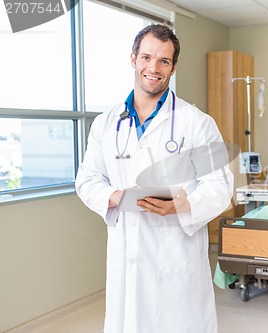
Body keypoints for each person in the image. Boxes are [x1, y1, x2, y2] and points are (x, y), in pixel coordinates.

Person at [75, 24, 233, 333]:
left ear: (174, 67)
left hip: (175, 253)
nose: (153, 67)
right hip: (127, 250)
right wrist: (116, 197)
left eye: (164, 61)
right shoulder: (106, 123)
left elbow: (220, 187)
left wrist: (181, 204)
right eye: (146, 57)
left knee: (177, 321)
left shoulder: (197, 123)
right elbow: (87, 179)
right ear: (133, 58)